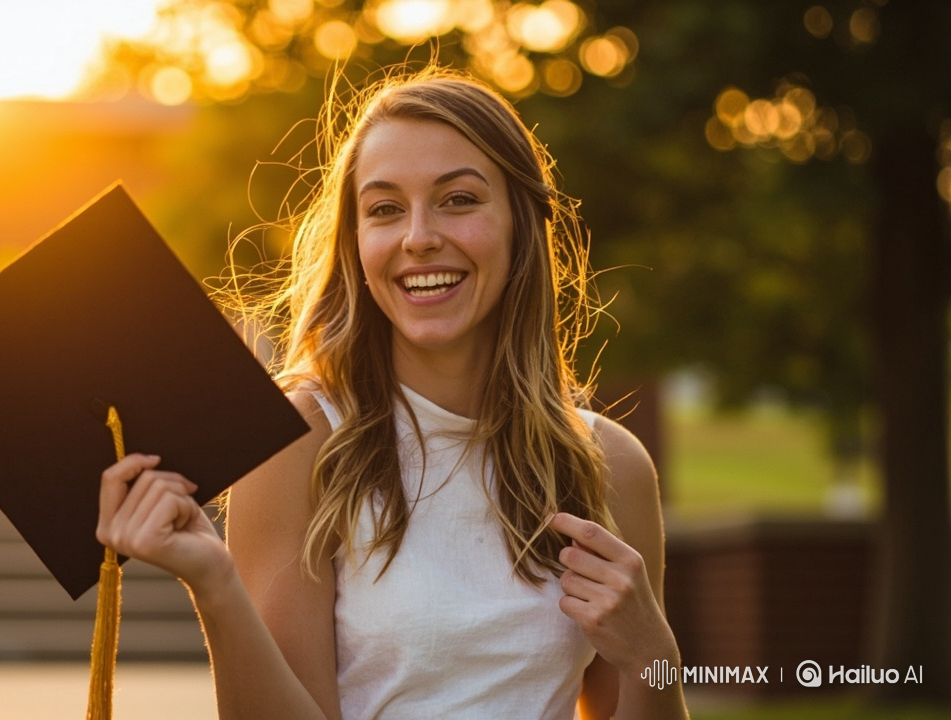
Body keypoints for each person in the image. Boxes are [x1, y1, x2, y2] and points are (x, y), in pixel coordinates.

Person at [96, 66, 689, 720]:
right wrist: (216, 586)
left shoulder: (609, 464)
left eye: (458, 199)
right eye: (384, 209)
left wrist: (655, 653)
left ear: (521, 223)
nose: (418, 237)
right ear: (356, 243)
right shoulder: (304, 442)